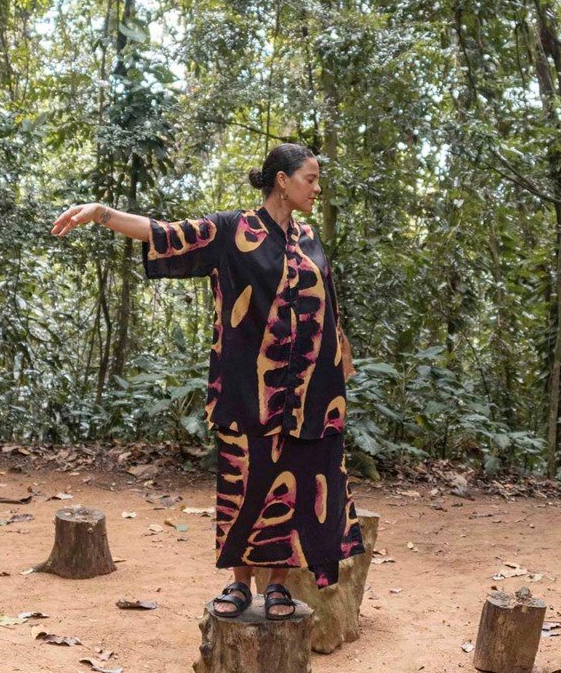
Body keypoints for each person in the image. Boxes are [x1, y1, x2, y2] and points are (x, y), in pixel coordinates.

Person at [51, 142, 365, 620]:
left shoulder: (308, 237)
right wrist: (102, 213)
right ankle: (241, 584)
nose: (317, 188)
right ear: (281, 180)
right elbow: (164, 233)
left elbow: (326, 303)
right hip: (247, 389)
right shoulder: (230, 231)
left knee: (298, 484)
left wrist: (339, 362)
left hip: (309, 394)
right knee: (246, 481)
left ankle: (277, 586)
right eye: (310, 178)